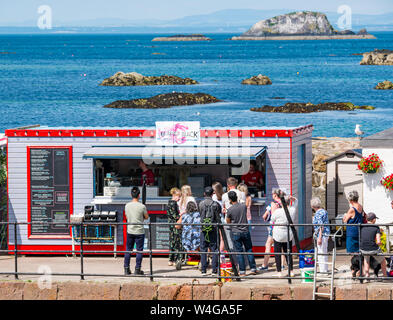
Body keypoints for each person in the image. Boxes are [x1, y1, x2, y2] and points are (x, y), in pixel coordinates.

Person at [226, 191, 257, 276]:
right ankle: (253, 268)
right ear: (236, 197)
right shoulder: (243, 206)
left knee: (239, 252)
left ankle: (242, 271)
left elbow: (228, 222)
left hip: (236, 232)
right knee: (249, 249)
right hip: (245, 231)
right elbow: (247, 199)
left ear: (229, 199)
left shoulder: (230, 209)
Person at [258, 188, 286, 272]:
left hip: (274, 228)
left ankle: (265, 265)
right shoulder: (285, 203)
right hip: (284, 227)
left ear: (275, 195)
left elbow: (265, 216)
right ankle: (282, 265)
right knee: (282, 247)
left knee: (268, 244)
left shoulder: (272, 204)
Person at [270, 195, 298, 277]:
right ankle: (291, 271)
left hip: (278, 234)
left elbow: (272, 220)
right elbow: (296, 202)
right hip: (288, 234)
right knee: (288, 253)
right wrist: (293, 198)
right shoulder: (292, 210)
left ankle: (279, 272)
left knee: (277, 253)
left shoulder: (278, 212)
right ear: (289, 202)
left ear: (282, 203)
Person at [124, 186, 149, 275]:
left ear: (131, 195)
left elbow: (127, 217)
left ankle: (126, 269)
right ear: (139, 195)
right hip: (139, 231)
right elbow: (146, 217)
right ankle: (137, 269)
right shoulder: (142, 206)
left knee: (128, 249)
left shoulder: (127, 205)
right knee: (139, 250)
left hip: (130, 230)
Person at [198, 186, 222, 276]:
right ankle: (214, 270)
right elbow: (218, 216)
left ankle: (203, 270)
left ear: (204, 193)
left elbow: (200, 214)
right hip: (213, 228)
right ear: (213, 194)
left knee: (203, 249)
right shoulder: (216, 204)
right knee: (215, 249)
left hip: (204, 229)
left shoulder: (200, 204)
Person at [360, 212, 387, 279]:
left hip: (363, 248)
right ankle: (385, 277)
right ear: (373, 219)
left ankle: (367, 276)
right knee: (383, 261)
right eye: (375, 219)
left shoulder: (362, 226)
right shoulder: (376, 227)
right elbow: (378, 241)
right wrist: (381, 244)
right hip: (373, 248)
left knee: (366, 260)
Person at [311, 197, 330, 273]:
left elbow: (320, 226)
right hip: (326, 234)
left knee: (321, 253)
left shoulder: (318, 213)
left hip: (321, 235)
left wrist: (319, 237)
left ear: (313, 206)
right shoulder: (324, 211)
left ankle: (323, 271)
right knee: (324, 252)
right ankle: (325, 270)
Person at [167, 187, 183, 266]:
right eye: (178, 196)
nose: (179, 198)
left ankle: (170, 259)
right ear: (174, 195)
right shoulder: (173, 203)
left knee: (172, 241)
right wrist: (182, 214)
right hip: (175, 224)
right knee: (177, 241)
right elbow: (175, 216)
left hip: (171, 224)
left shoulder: (169, 202)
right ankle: (177, 259)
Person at [212, 182, 226, 263]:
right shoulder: (224, 196)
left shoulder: (213, 197)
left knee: (215, 238)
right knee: (222, 238)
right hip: (222, 219)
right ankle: (221, 254)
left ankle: (215, 255)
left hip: (214, 219)